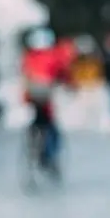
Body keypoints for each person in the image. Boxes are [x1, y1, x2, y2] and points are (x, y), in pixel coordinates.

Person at [21, 27, 72, 177]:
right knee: (51, 128)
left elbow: (25, 76)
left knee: (38, 121)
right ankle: (48, 156)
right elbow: (63, 73)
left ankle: (34, 146)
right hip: (46, 98)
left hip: (33, 97)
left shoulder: (29, 56)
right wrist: (69, 85)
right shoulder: (53, 56)